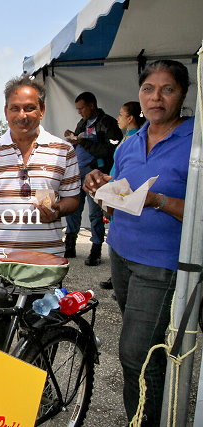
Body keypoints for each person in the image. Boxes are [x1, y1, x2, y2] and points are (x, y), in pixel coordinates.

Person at [84, 60, 193, 426]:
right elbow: (119, 187)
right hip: (122, 254)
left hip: (162, 263)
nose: (156, 97)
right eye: (149, 89)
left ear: (183, 94)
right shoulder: (130, 143)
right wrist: (100, 182)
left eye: (168, 89)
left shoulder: (196, 141)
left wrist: (158, 200)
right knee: (150, 352)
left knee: (136, 355)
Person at [0, 75, 80, 347]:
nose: (22, 115)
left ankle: (40, 389)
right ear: (5, 112)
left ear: (42, 110)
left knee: (41, 342)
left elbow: (74, 198)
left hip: (45, 265)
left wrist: (59, 209)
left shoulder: (64, 150)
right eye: (15, 108)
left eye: (29, 108)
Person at [63, 92, 122, 265]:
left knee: (96, 214)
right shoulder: (82, 122)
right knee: (73, 209)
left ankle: (96, 249)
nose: (79, 112)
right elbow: (80, 143)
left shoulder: (108, 123)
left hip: (96, 175)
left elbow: (109, 150)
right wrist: (73, 138)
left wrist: (82, 142)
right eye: (78, 109)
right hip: (78, 173)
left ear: (91, 105)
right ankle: (70, 245)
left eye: (82, 108)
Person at [100, 101, 145, 291]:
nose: (117, 118)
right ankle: (117, 275)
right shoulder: (127, 138)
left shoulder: (138, 139)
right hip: (114, 193)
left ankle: (125, 277)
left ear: (130, 118)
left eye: (120, 114)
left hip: (122, 196)